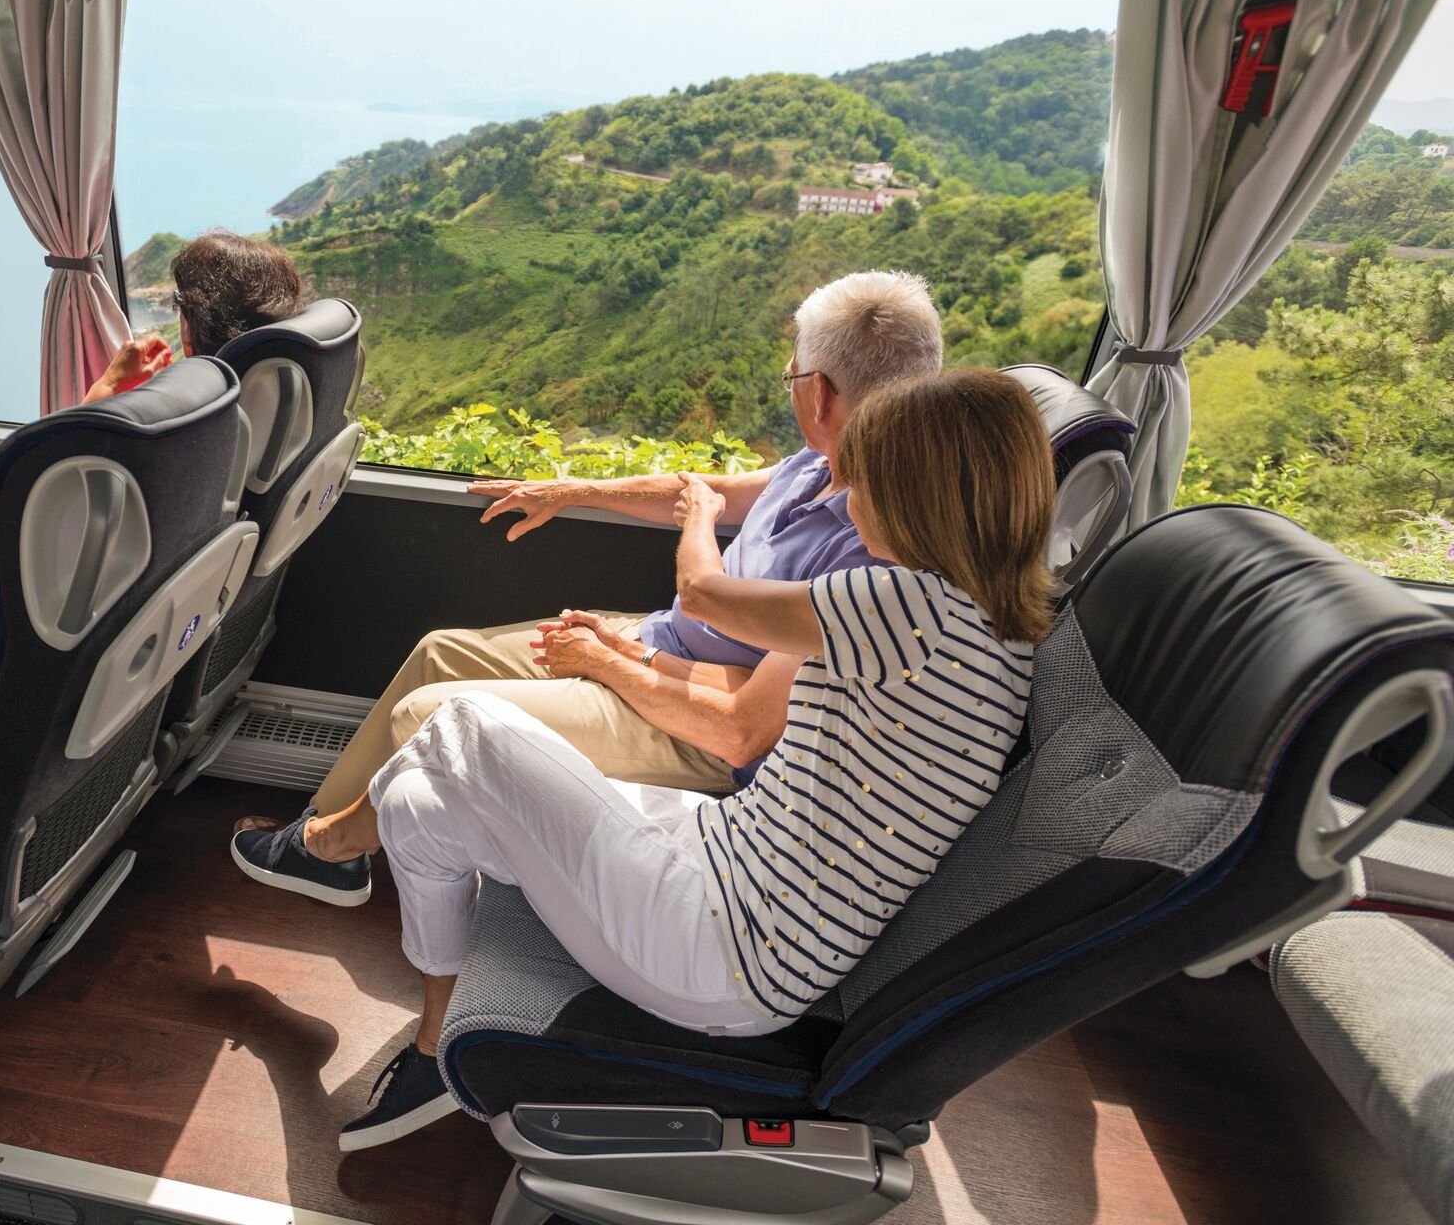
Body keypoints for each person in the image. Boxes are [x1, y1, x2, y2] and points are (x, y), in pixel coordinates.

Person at [255, 370, 1057, 1151]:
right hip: (731, 855)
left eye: (869, 481)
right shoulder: (970, 613)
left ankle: (327, 843)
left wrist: (692, 525)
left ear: (925, 494)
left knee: (462, 721)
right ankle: (435, 1050)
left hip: (723, 950)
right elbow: (753, 689)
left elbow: (706, 601)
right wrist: (630, 650)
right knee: (418, 807)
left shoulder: (903, 603)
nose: (850, 499)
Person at [232, 271, 944, 906]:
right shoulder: (819, 465)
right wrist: (574, 490)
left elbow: (743, 727)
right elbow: (715, 493)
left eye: (792, 378)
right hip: (660, 650)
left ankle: (337, 843)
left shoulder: (875, 547)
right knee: (441, 652)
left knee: (427, 713)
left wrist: (611, 662)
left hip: (691, 726)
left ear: (819, 394)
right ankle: (317, 846)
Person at [0, 231, 306, 694]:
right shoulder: (267, 419)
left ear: (189, 325)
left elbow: (50, 493)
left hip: (59, 622)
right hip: (133, 613)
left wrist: (105, 391)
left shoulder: (164, 430)